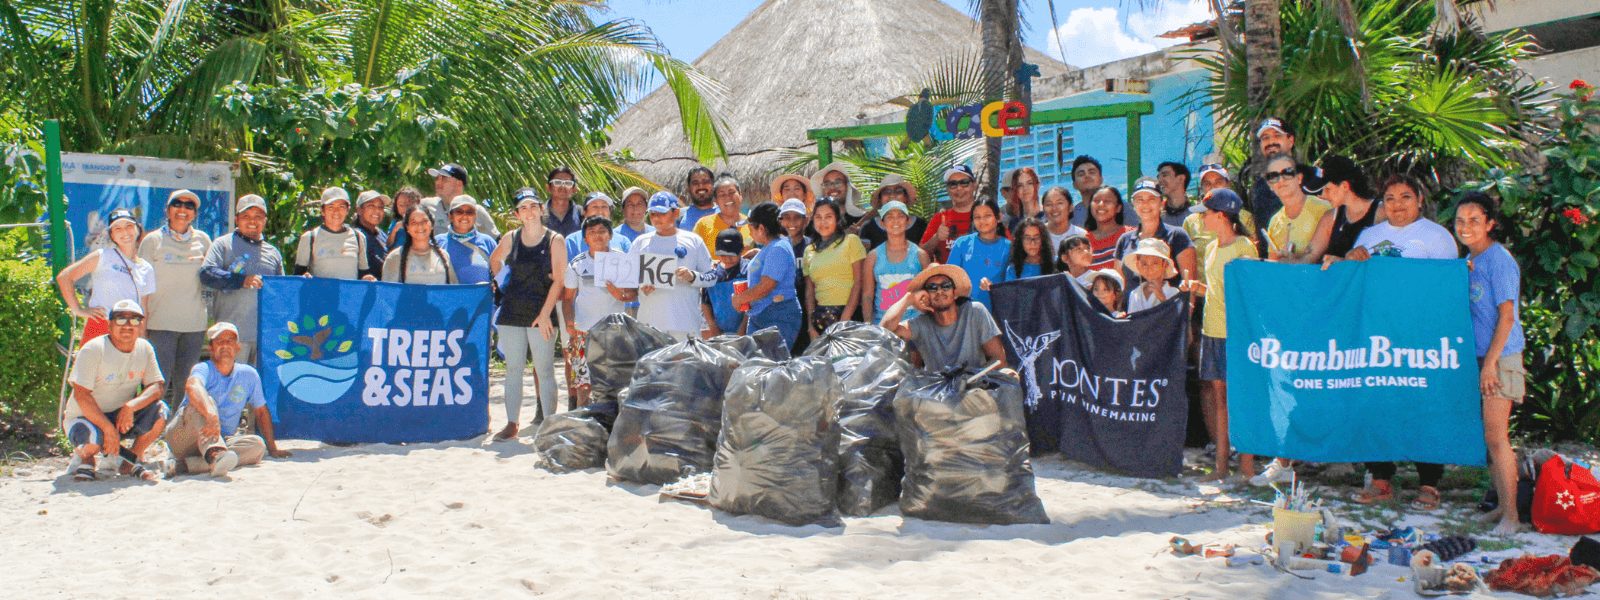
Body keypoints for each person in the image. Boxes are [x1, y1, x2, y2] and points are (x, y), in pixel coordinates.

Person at [1332, 175, 1457, 510]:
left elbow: (1447, 288)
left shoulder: (1437, 237)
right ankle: (1381, 479)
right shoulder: (1371, 235)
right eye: (1390, 198)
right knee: (1377, 404)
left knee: (1422, 406)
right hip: (1378, 337)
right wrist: (1351, 258)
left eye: (1405, 197)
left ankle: (1429, 484)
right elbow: (1352, 281)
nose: (1397, 204)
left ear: (1419, 200)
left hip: (1420, 339)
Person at [1453, 192, 1526, 533]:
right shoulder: (1471, 260)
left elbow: (1507, 317)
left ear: (1490, 224)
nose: (1466, 227)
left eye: (1474, 220)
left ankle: (1512, 516)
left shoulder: (1499, 260)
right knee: (1489, 438)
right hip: (1482, 356)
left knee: (1498, 439)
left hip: (1501, 357)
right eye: (1460, 220)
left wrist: (1490, 364)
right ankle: (1500, 508)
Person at [1182, 188, 1257, 482]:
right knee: (1220, 399)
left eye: (1206, 213)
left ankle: (1247, 468)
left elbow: (1249, 293)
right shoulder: (1212, 247)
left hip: (1236, 334)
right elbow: (1215, 291)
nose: (1201, 218)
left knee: (1240, 398)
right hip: (1212, 331)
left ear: (1222, 216)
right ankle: (1222, 468)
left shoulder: (1244, 248)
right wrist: (1194, 288)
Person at [487, 189, 567, 439]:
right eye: (524, 208)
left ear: (541, 209)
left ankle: (549, 423)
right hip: (512, 311)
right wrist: (502, 281)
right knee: (513, 369)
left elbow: (560, 280)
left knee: (544, 369)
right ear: (517, 214)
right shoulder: (511, 238)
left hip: (541, 313)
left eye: (533, 206)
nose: (529, 212)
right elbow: (494, 261)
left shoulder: (555, 240)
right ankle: (512, 422)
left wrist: (545, 314)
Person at [163, 322, 289, 478]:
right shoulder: (203, 368)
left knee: (257, 446)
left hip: (220, 438)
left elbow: (261, 411)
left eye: (230, 341)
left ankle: (184, 466)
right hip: (183, 437)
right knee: (203, 401)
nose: (225, 345)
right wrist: (211, 414)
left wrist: (273, 448)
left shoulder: (249, 374)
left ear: (238, 347)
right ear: (211, 348)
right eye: (220, 342)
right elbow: (192, 386)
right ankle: (216, 456)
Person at [63, 299, 165, 482]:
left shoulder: (145, 348)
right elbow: (81, 395)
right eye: (120, 319)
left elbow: (157, 386)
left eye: (134, 320)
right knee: (92, 441)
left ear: (141, 325)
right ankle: (87, 458)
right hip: (85, 416)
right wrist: (107, 428)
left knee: (161, 411)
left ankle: (131, 458)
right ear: (109, 324)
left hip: (120, 416)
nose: (127, 325)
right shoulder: (93, 349)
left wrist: (131, 406)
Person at [138, 190, 211, 408]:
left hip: (194, 325)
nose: (183, 209)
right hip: (160, 324)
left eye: (189, 206)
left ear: (195, 214)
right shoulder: (152, 241)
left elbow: (211, 278)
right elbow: (142, 284)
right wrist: (142, 322)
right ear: (168, 210)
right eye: (177, 204)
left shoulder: (204, 240)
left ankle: (177, 430)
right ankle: (150, 427)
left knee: (186, 382)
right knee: (157, 382)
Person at [200, 194, 285, 364]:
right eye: (246, 216)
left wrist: (304, 281)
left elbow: (281, 292)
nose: (252, 221)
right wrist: (241, 281)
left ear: (265, 221)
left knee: (256, 387)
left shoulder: (273, 253)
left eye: (258, 217)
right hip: (229, 337)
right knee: (230, 387)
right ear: (236, 219)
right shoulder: (222, 244)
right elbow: (206, 274)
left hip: (263, 337)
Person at [879, 264, 1010, 374]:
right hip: (938, 395)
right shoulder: (920, 323)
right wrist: (909, 298)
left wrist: (971, 379)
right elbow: (884, 330)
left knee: (1010, 375)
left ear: (955, 293)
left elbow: (998, 360)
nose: (940, 291)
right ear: (926, 296)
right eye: (932, 288)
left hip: (975, 388)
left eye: (945, 286)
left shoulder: (975, 311)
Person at [563, 216, 638, 405]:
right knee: (583, 384)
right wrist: (570, 325)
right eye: (591, 232)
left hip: (615, 332)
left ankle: (612, 424)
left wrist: (620, 295)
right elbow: (568, 298)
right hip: (584, 332)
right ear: (585, 238)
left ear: (610, 235)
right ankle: (583, 422)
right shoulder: (577, 264)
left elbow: (633, 294)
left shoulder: (622, 260)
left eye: (602, 231)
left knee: (616, 381)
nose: (597, 236)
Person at [57, 208, 155, 346]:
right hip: (100, 327)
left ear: (138, 229)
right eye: (118, 229)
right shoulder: (102, 256)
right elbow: (65, 277)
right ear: (112, 235)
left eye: (129, 226)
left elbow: (143, 308)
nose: (125, 232)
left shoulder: (146, 268)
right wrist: (78, 310)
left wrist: (142, 339)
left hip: (129, 330)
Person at [629, 191, 719, 340]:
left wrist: (693, 277)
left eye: (661, 213)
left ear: (676, 213)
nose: (656, 218)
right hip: (650, 326)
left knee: (686, 363)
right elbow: (628, 278)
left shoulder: (693, 240)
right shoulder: (640, 243)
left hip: (685, 324)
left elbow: (712, 277)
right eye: (652, 214)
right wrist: (641, 286)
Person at [1247, 118, 1324, 255]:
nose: (1271, 142)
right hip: (1275, 268)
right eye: (1265, 138)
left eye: (1277, 135)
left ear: (1291, 140)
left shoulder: (1315, 177)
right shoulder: (1257, 188)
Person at [731, 202, 804, 347]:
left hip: (777, 314)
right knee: (758, 365)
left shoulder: (778, 248)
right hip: (762, 313)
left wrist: (740, 299)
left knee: (770, 366)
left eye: (750, 227)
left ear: (762, 228)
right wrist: (760, 255)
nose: (749, 232)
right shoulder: (772, 247)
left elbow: (766, 286)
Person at [802, 198, 866, 338]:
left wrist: (845, 318)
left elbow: (859, 282)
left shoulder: (851, 241)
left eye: (828, 217)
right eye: (818, 217)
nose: (823, 222)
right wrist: (811, 326)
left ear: (837, 219)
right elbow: (809, 291)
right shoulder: (809, 250)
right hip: (820, 318)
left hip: (849, 315)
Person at [1116, 177, 1196, 286]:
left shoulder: (1177, 235)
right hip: (1132, 303)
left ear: (1162, 203)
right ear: (1133, 204)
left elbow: (1189, 284)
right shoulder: (1124, 240)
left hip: (1169, 302)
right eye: (1140, 199)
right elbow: (1118, 285)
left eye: (1151, 199)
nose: (1145, 204)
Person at [861, 200, 930, 323]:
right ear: (882, 223)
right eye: (890, 217)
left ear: (907, 221)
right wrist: (868, 324)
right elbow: (867, 295)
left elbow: (928, 292)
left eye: (900, 216)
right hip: (883, 324)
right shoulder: (873, 257)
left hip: (914, 325)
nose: (895, 221)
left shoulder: (920, 255)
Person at [1308, 155, 1385, 262]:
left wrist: (1342, 261)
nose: (1323, 195)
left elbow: (1389, 253)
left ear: (1344, 186)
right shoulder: (1330, 217)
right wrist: (1287, 259)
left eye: (1328, 189)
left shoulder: (1382, 212)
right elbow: (1308, 257)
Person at [1183, 164, 1258, 272]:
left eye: (1218, 182)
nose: (1213, 187)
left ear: (1228, 184)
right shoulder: (1190, 222)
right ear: (1202, 188)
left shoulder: (1246, 218)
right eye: (1207, 184)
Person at [1261, 154, 1333, 263]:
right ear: (1269, 185)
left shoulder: (1323, 209)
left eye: (1287, 173)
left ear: (1299, 178)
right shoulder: (1275, 222)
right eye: (1273, 176)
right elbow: (1274, 269)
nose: (1280, 180)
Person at [294, 187, 377, 280]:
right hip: (320, 294)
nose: (336, 211)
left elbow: (363, 273)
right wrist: (304, 277)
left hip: (348, 294)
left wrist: (367, 278)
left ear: (347, 210)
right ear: (322, 211)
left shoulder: (358, 237)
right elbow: (298, 275)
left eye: (341, 207)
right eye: (331, 207)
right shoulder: (310, 237)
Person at [950, 199, 1011, 311]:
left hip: (995, 314)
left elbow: (1011, 285)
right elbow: (950, 279)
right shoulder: (961, 244)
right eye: (977, 217)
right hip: (965, 313)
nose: (982, 221)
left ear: (998, 217)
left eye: (987, 215)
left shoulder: (1009, 247)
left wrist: (994, 287)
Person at [382, 207, 457, 284]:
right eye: (414, 223)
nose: (420, 226)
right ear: (407, 228)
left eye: (424, 221)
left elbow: (452, 291)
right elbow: (388, 292)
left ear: (431, 225)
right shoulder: (395, 256)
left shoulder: (444, 256)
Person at [434, 195, 498, 285]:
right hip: (447, 298)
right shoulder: (437, 243)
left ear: (475, 216)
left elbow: (501, 273)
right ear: (450, 216)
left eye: (469, 212)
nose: (464, 216)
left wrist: (497, 285)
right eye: (459, 212)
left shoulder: (488, 242)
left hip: (482, 299)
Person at [422, 163, 498, 237]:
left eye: (444, 179)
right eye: (437, 178)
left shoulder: (477, 211)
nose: (438, 182)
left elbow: (497, 242)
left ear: (459, 184)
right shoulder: (425, 205)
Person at [921, 165, 978, 263]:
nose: (959, 188)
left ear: (974, 185)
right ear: (947, 189)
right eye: (953, 184)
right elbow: (920, 254)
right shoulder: (939, 218)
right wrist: (936, 238)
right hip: (948, 277)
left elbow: (1008, 250)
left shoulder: (987, 215)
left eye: (964, 183)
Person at [777, 198, 814, 349]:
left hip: (808, 311)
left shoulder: (812, 246)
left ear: (805, 220)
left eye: (797, 217)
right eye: (787, 217)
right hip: (784, 312)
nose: (791, 222)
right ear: (780, 221)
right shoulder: (776, 248)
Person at [857, 174, 928, 250]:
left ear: (906, 197)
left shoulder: (920, 225)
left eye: (898, 191)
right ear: (880, 199)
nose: (892, 195)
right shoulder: (868, 227)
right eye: (886, 192)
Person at [702, 229, 749, 337]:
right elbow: (705, 303)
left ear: (741, 250)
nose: (727, 259)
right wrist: (713, 327)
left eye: (731, 255)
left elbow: (753, 305)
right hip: (720, 332)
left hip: (745, 331)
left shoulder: (747, 271)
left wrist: (742, 330)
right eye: (722, 255)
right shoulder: (712, 273)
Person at [692, 174, 751, 250]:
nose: (727, 197)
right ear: (716, 201)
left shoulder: (752, 225)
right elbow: (693, 253)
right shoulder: (703, 225)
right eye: (722, 194)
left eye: (731, 192)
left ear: (740, 196)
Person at [1124, 238, 1179, 314]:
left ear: (1165, 264)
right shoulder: (1135, 294)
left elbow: (1176, 320)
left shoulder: (1174, 293)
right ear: (1138, 266)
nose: (1149, 268)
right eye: (1144, 264)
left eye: (1155, 263)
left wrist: (1162, 298)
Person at [1084, 186, 1134, 271]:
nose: (1101, 204)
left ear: (1118, 208)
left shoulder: (1131, 235)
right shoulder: (1083, 241)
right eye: (1096, 201)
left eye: (1107, 201)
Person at [565, 192, 628, 258]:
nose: (600, 211)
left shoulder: (623, 241)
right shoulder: (572, 241)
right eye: (595, 207)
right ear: (584, 212)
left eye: (604, 207)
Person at [813, 161, 865, 230]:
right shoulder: (813, 223)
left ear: (847, 186)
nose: (832, 187)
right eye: (827, 184)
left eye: (838, 183)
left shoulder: (862, 221)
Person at [1000, 218, 1056, 282]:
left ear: (1043, 240)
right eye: (1027, 238)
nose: (1032, 243)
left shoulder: (1056, 263)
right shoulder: (1013, 270)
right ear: (1020, 241)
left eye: (1037, 238)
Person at [352, 189, 390, 274]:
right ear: (359, 210)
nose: (377, 211)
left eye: (380, 207)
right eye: (371, 206)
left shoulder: (381, 235)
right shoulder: (354, 236)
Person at [1042, 185, 1088, 252]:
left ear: (1071, 207)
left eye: (1059, 203)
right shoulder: (1037, 234)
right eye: (1049, 204)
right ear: (1043, 209)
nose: (1054, 208)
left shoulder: (1082, 235)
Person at [543, 166, 583, 238]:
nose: (562, 187)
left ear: (574, 189)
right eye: (557, 182)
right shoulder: (539, 213)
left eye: (568, 183)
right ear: (548, 187)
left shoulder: (582, 214)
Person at [1004, 167, 1044, 233]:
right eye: (1020, 185)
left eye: (1029, 183)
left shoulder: (1048, 215)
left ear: (1037, 185)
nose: (1025, 188)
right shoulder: (1014, 223)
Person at [1069, 155, 1104, 226]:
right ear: (1074, 185)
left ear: (1101, 180)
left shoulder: (1122, 209)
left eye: (1092, 172)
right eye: (1081, 174)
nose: (1087, 176)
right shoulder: (1070, 218)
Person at [1157, 161, 1194, 228]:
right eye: (1158, 177)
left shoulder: (1198, 213)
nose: (1159, 180)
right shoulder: (1156, 214)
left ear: (1181, 179)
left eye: (1164, 175)